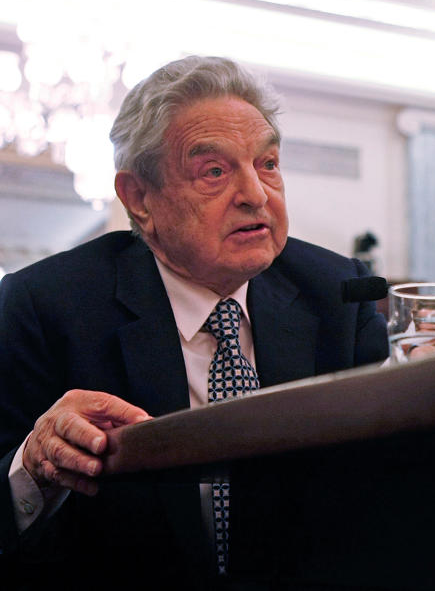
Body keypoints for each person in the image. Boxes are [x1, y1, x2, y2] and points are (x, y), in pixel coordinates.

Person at [0, 56, 388, 587]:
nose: (256, 193)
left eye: (268, 163)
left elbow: (379, 490)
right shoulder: (41, 306)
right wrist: (33, 466)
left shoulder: (339, 293)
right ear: (140, 199)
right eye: (215, 171)